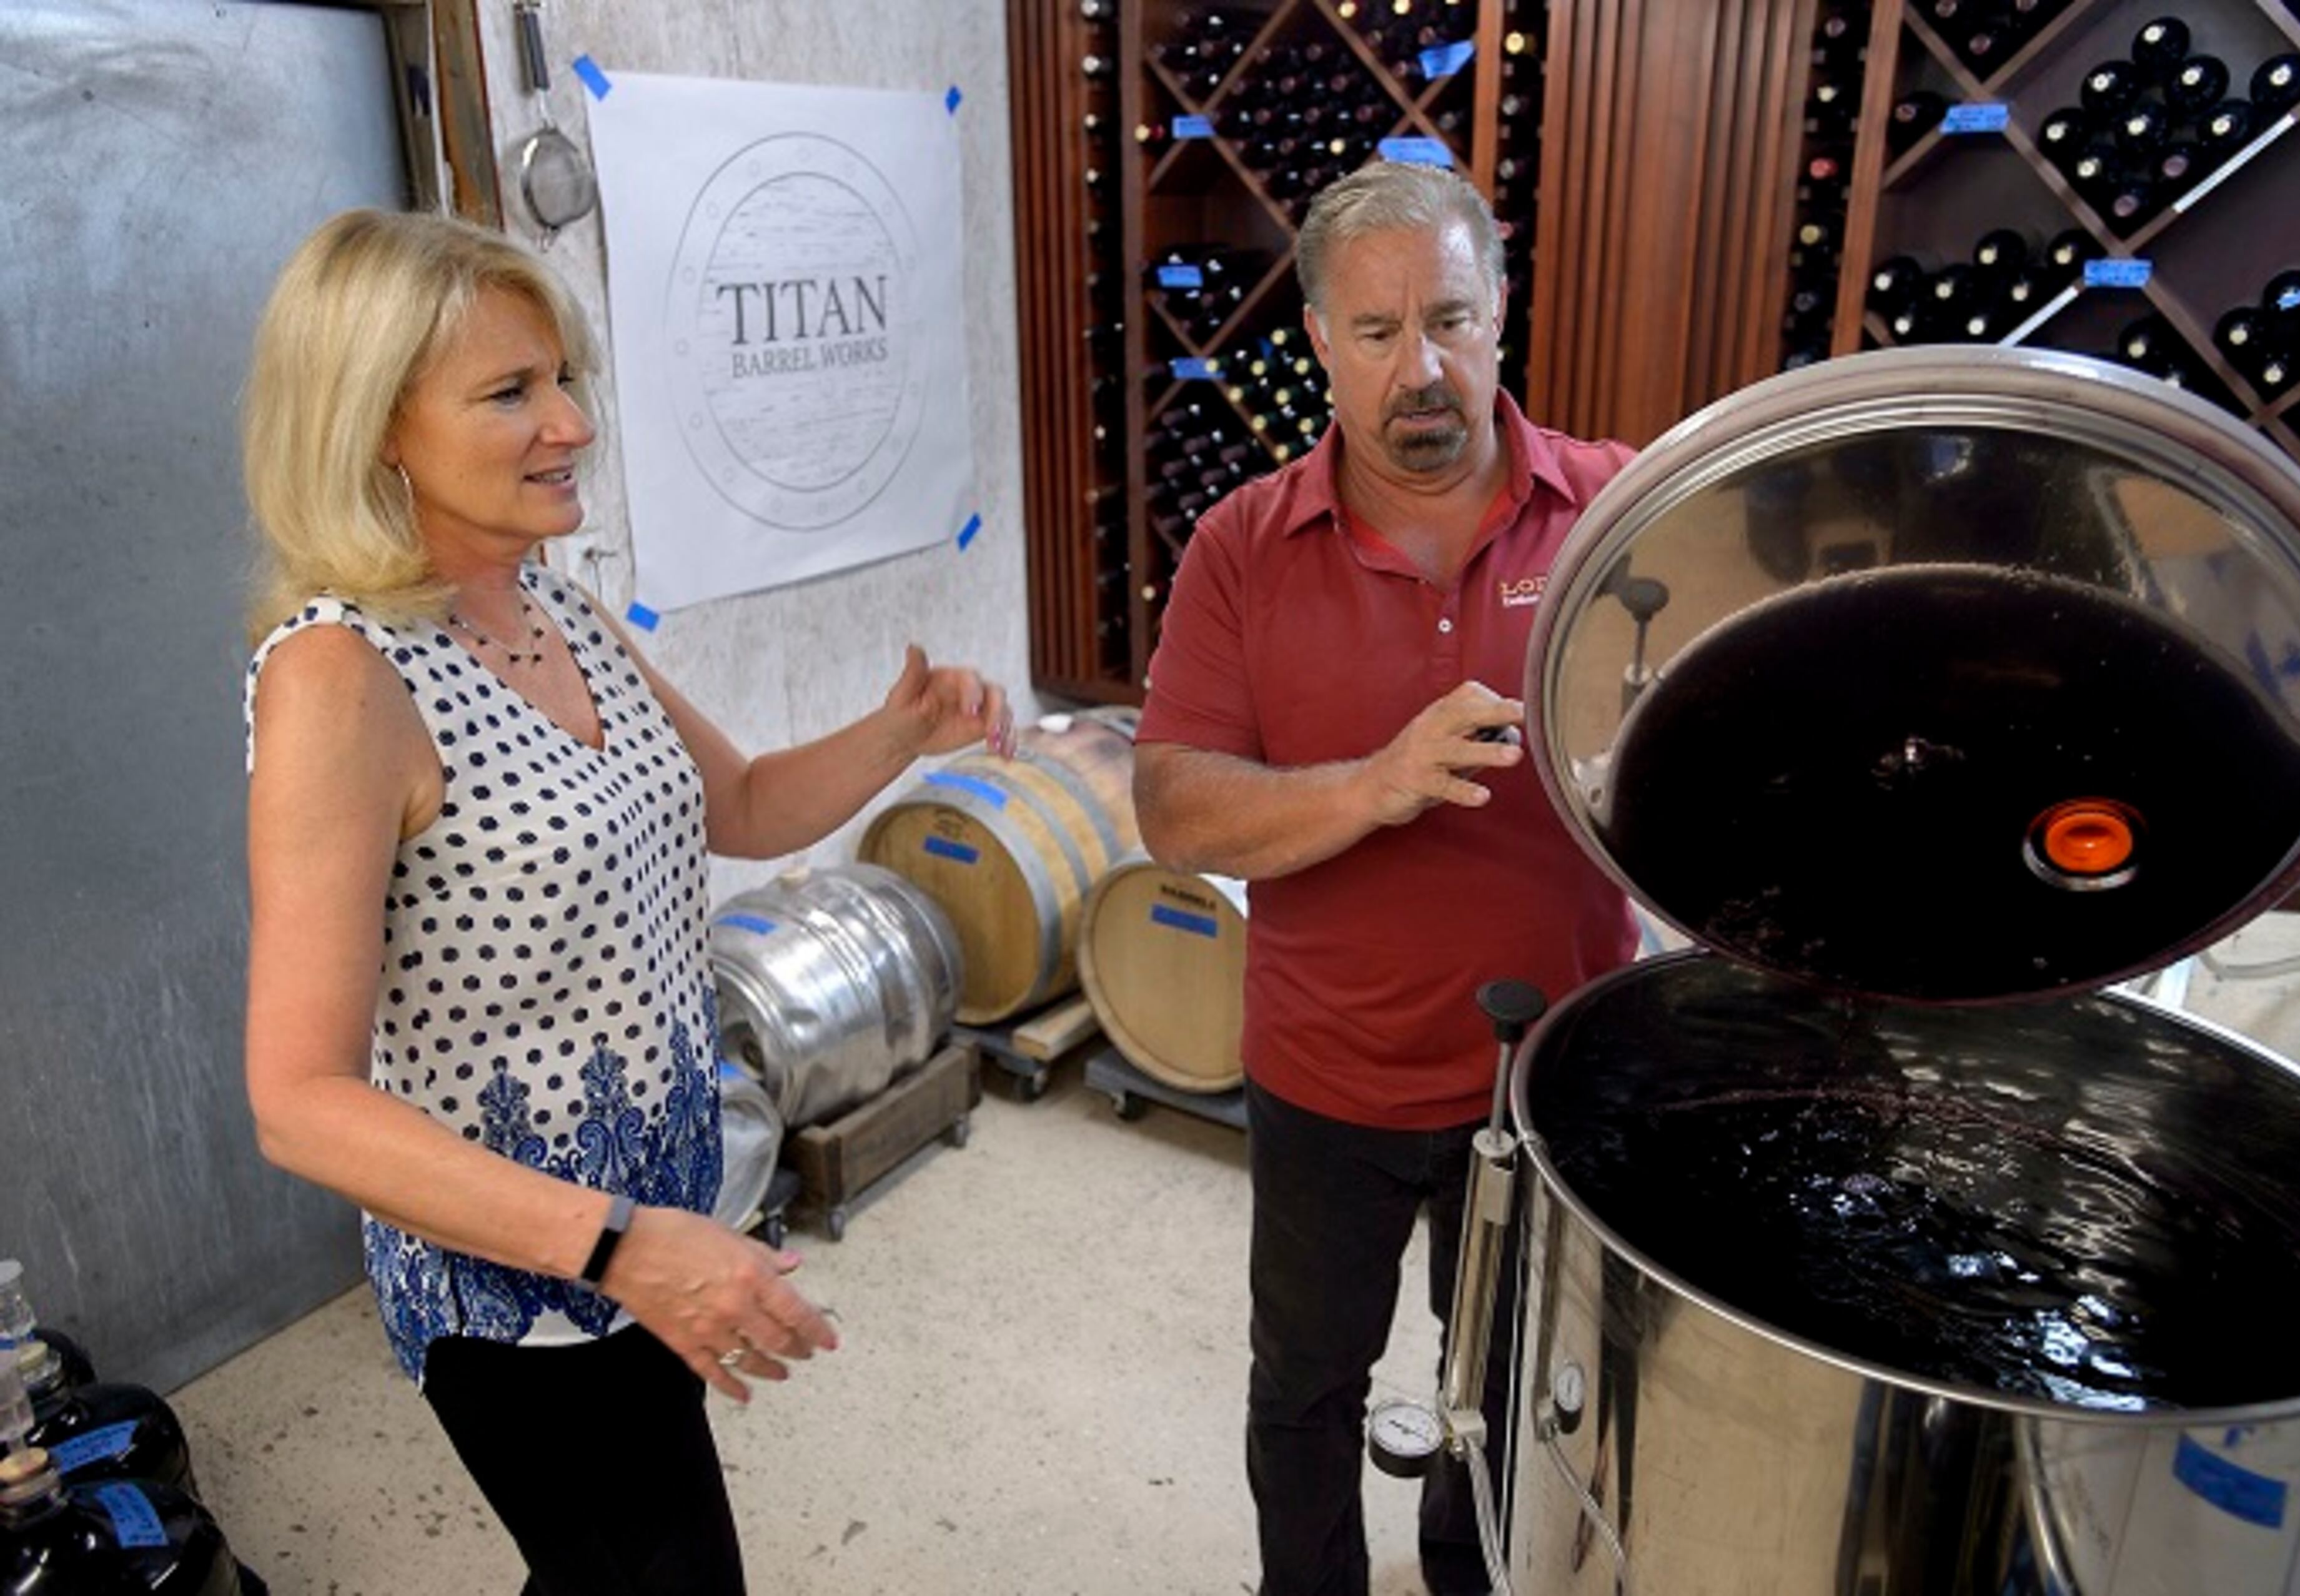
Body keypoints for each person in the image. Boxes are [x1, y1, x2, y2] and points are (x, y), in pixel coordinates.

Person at [238, 209, 1014, 1595]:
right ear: (375, 431)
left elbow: (747, 803)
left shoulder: (558, 610)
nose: (572, 425)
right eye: (509, 392)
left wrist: (900, 732)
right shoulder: (340, 677)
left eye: (565, 381)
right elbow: (298, 1097)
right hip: (524, 1295)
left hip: (658, 1229)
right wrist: (617, 1248)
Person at [1131, 161, 1641, 1596]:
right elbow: (1174, 810)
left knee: (1512, 1384)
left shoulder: (1617, 511)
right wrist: (1377, 784)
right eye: (1374, 333)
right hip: (1329, 1077)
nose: (1420, 367)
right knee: (1306, 1389)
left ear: (1499, 315)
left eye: (1451, 319)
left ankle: (1462, 1572)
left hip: (1554, 1081)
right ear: (1318, 344)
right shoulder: (1242, 546)